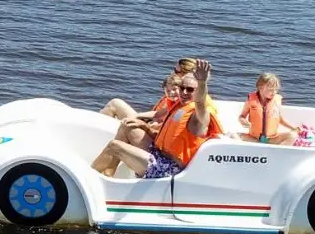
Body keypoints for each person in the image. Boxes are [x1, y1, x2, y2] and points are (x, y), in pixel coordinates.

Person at [93, 61, 223, 179]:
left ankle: (88, 177)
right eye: (182, 87)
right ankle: (108, 175)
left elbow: (200, 102)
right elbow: (167, 137)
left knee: (114, 146)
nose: (183, 92)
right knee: (128, 126)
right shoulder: (179, 106)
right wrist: (144, 127)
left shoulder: (198, 115)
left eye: (189, 89)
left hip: (168, 168)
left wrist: (202, 83)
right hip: (158, 153)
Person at [241, 72, 300, 144]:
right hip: (254, 138)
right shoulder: (251, 100)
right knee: (233, 136)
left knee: (292, 135)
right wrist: (242, 120)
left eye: (276, 90)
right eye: (271, 90)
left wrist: (293, 128)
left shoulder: (276, 101)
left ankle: (277, 153)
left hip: (271, 139)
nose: (274, 92)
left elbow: (280, 119)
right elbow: (242, 116)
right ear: (260, 87)